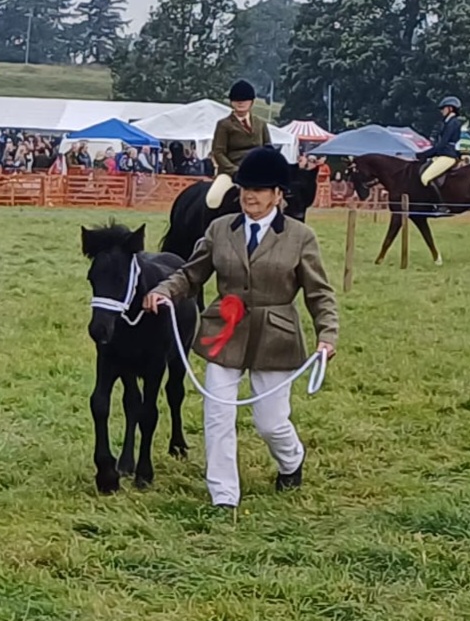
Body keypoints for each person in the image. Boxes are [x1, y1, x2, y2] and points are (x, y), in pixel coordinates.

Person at [144, 147, 339, 510]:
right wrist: (163, 289)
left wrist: (327, 335)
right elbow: (192, 272)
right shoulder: (220, 229)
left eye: (260, 189)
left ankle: (291, 459)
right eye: (246, 187)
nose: (250, 195)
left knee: (270, 422)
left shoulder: (301, 237)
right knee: (217, 413)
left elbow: (319, 292)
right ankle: (224, 495)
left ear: (278, 194)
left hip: (276, 333)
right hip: (224, 331)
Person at [207, 80, 270, 209]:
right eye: (236, 100)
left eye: (244, 100)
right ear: (231, 102)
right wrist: (234, 170)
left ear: (251, 101)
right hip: (231, 172)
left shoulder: (260, 123)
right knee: (213, 199)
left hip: (258, 171)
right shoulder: (224, 124)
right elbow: (218, 152)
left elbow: (268, 147)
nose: (240, 102)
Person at [418, 96, 463, 208]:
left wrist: (427, 154)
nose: (442, 111)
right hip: (443, 154)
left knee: (425, 177)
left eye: (443, 108)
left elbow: (443, 143)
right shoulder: (447, 122)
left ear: (450, 109)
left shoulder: (453, 123)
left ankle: (440, 204)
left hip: (448, 155)